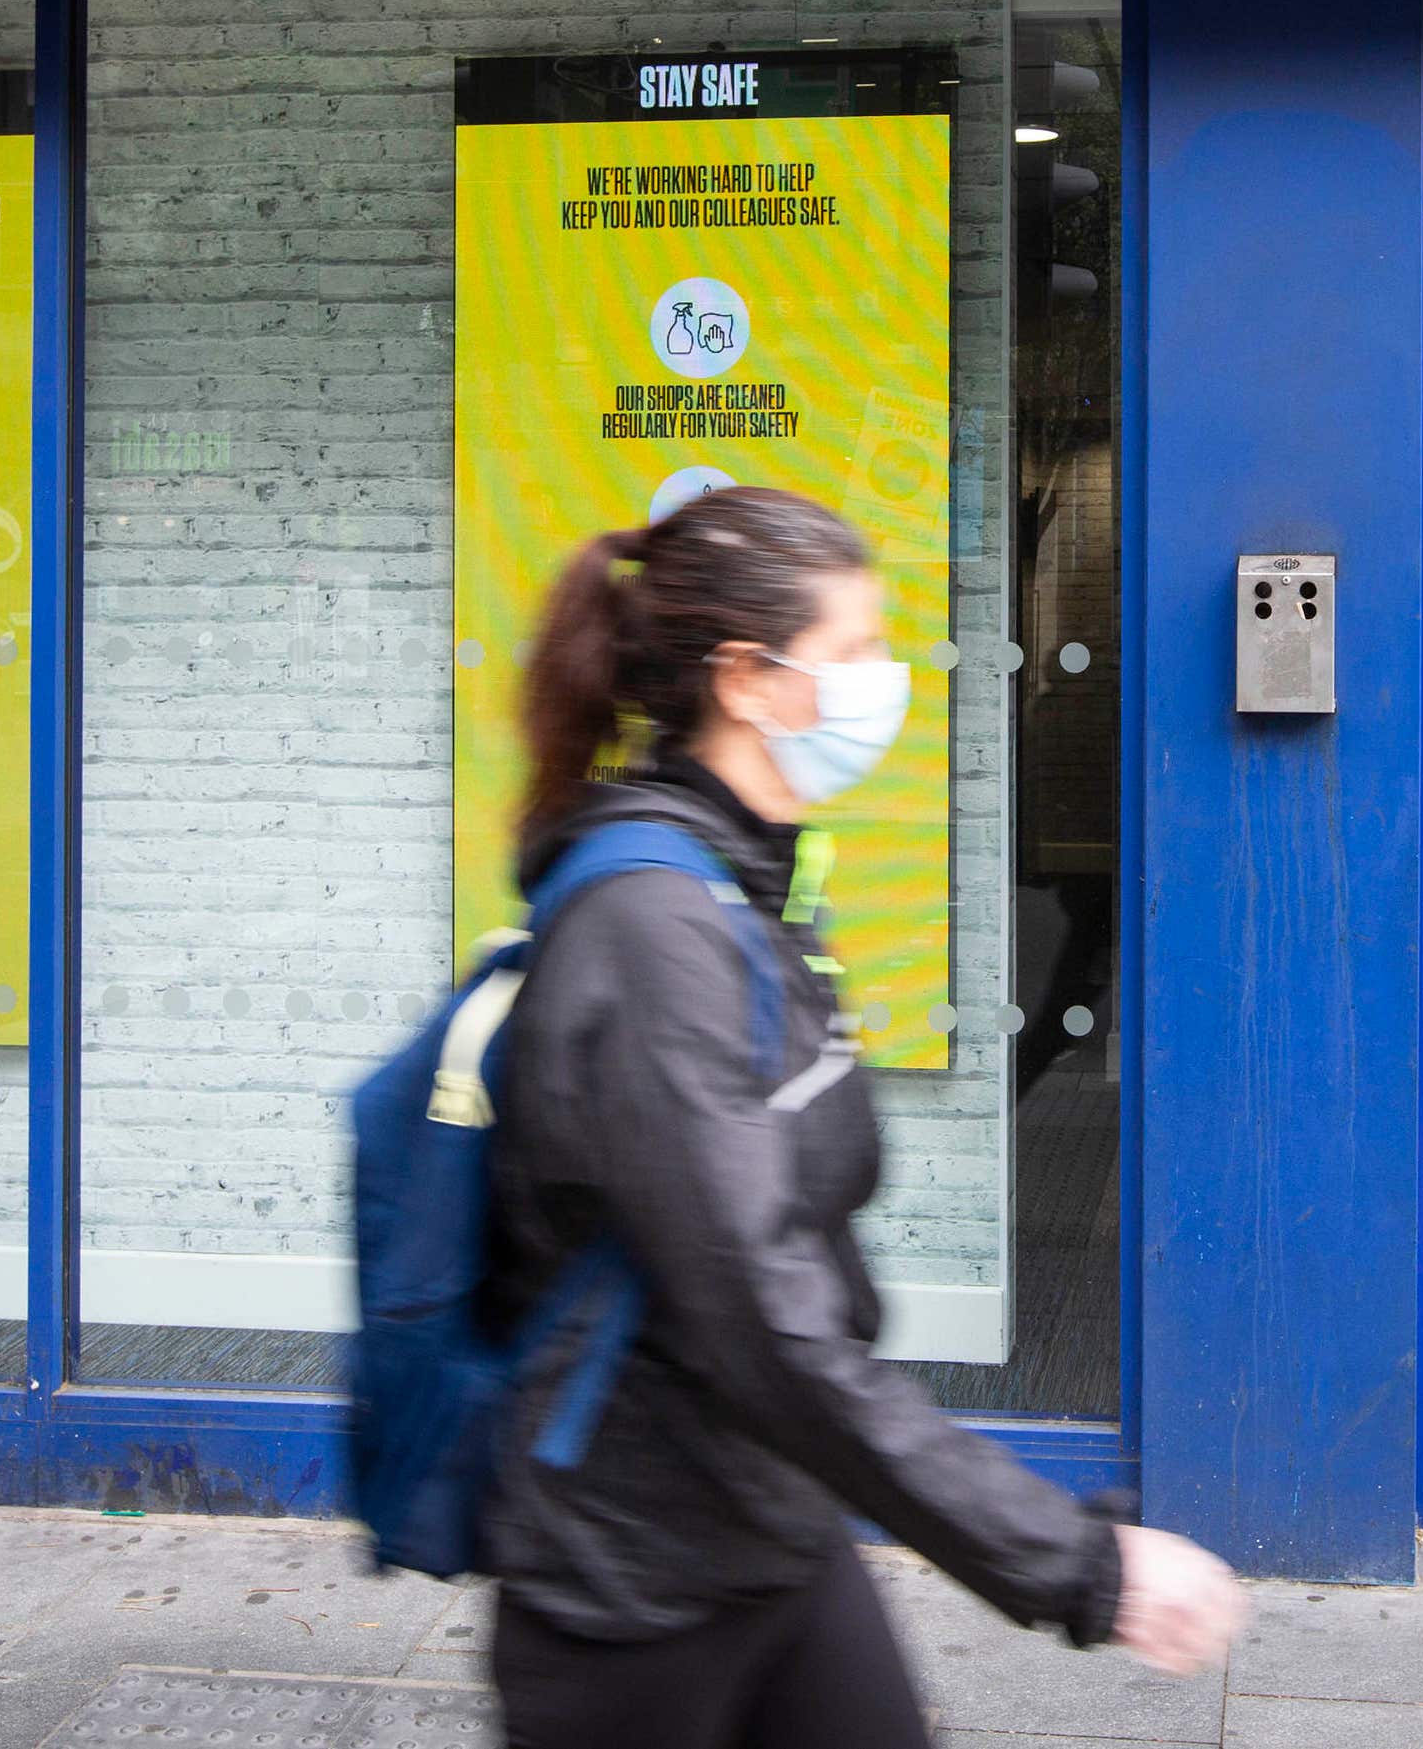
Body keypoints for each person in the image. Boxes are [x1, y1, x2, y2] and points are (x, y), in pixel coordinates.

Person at [482, 484, 1246, 1748]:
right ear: (746, 676)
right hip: (631, 1583)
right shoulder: (652, 930)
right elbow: (759, 1312)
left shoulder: (743, 885)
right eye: (853, 653)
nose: (884, 682)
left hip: (765, 1516)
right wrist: (1080, 1564)